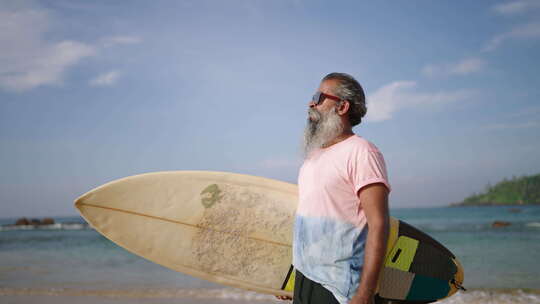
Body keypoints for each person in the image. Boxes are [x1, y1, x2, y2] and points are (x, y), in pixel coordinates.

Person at [278, 73, 390, 304]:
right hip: (306, 280)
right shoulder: (312, 159)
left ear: (342, 106)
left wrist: (365, 294)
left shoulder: (362, 152)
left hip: (342, 289)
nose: (311, 103)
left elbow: (379, 224)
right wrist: (291, 280)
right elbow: (305, 228)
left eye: (319, 97)